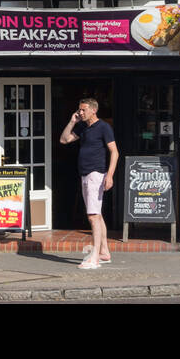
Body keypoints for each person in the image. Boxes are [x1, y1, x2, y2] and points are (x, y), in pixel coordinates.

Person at [59, 97, 118, 270]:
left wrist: (110, 175)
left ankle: (94, 258)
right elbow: (64, 140)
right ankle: (104, 252)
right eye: (79, 110)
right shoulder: (83, 127)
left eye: (83, 110)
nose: (80, 112)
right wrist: (72, 121)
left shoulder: (104, 127)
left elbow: (115, 152)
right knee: (97, 215)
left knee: (92, 216)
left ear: (94, 110)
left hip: (96, 174)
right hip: (85, 174)